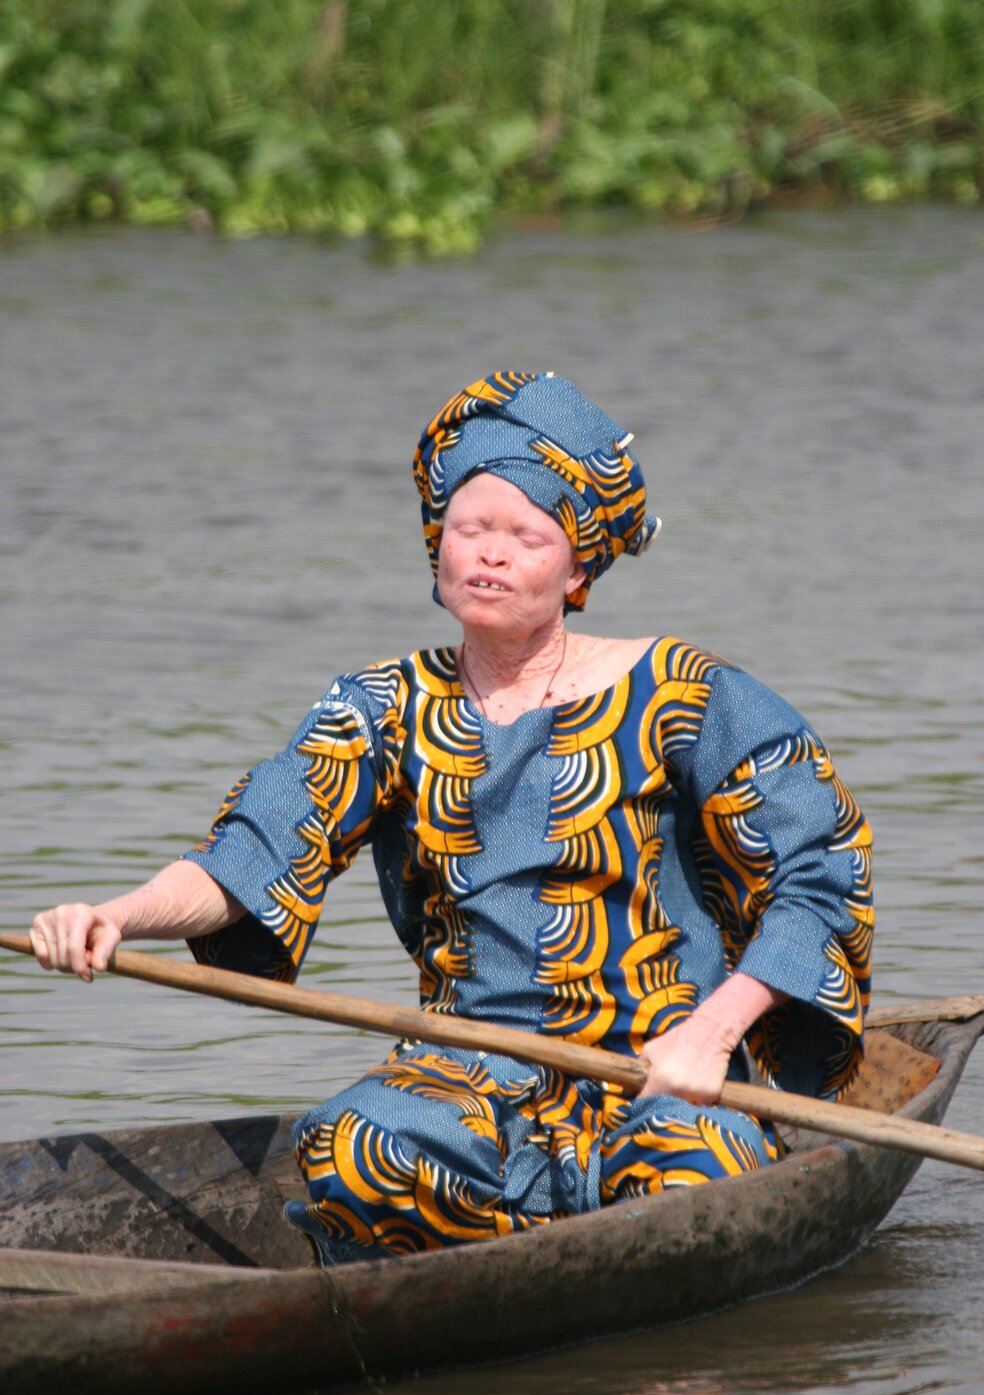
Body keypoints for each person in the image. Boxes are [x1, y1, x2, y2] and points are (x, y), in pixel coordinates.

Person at [30, 370, 873, 1264]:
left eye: (526, 535)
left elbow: (819, 871)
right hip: (467, 1068)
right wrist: (114, 917)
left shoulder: (685, 692)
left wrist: (710, 1036)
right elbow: (251, 853)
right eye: (471, 528)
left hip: (659, 1067)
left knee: (693, 1180)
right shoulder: (382, 706)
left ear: (579, 564)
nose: (491, 554)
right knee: (355, 1152)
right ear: (438, 544)